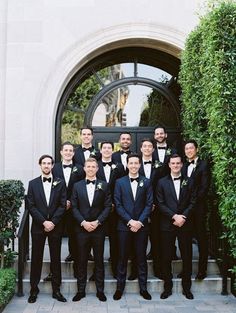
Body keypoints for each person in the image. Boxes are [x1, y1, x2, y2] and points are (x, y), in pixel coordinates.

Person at [27, 155, 67, 303]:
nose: (46, 166)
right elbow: (31, 206)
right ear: (40, 165)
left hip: (55, 227)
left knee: (56, 258)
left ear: (52, 166)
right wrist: (44, 222)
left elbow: (62, 204)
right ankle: (33, 289)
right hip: (38, 226)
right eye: (44, 163)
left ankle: (56, 290)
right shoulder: (33, 184)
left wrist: (53, 222)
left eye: (49, 163)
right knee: (36, 258)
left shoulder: (60, 183)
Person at [43, 142, 85, 282]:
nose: (68, 152)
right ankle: (53, 273)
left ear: (73, 153)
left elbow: (82, 189)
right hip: (57, 211)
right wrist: (62, 202)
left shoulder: (80, 169)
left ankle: (78, 271)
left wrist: (71, 202)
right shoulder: (53, 169)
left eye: (70, 150)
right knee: (55, 242)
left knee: (77, 240)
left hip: (75, 210)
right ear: (61, 152)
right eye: (65, 150)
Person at [71, 158, 112, 302]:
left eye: (93, 166)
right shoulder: (77, 186)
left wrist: (97, 222)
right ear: (84, 168)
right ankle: (80, 291)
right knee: (81, 260)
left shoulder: (104, 185)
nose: (90, 169)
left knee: (99, 260)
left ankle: (100, 291)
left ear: (97, 168)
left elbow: (108, 206)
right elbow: (74, 207)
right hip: (81, 229)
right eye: (88, 166)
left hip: (98, 229)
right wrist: (83, 222)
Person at [113, 154, 153, 301]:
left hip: (142, 227)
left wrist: (139, 222)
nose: (134, 165)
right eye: (131, 163)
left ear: (140, 165)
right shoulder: (119, 182)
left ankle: (143, 289)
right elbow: (118, 204)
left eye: (137, 163)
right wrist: (130, 221)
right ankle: (119, 289)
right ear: (127, 164)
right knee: (122, 258)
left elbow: (149, 204)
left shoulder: (147, 182)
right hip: (124, 227)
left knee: (141, 258)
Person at [156, 154, 196, 300]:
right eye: (173, 163)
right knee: (166, 257)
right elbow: (160, 203)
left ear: (181, 165)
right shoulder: (161, 182)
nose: (176, 165)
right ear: (169, 165)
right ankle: (167, 287)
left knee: (187, 256)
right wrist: (174, 216)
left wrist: (183, 216)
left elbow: (193, 201)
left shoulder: (189, 181)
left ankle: (187, 288)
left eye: (178, 163)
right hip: (167, 224)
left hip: (185, 224)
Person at [150, 126, 178, 277]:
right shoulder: (150, 152)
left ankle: (171, 252)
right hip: (154, 199)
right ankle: (154, 254)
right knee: (154, 231)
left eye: (162, 133)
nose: (160, 135)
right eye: (157, 133)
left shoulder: (173, 152)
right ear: (154, 136)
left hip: (169, 199)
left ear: (165, 135)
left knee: (168, 229)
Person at [182, 140, 210, 280]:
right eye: (186, 149)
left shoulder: (203, 165)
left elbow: (204, 187)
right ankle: (186, 269)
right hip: (186, 210)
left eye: (191, 148)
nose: (189, 151)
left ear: (196, 149)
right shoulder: (183, 165)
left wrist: (193, 203)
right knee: (185, 240)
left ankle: (202, 270)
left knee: (201, 239)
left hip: (198, 208)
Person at [97, 141, 125, 278]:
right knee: (97, 242)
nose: (107, 150)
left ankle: (115, 270)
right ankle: (96, 272)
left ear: (113, 150)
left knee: (115, 241)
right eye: (105, 148)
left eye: (109, 148)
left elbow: (122, 187)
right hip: (98, 210)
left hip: (115, 210)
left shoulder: (119, 167)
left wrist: (115, 203)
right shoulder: (94, 165)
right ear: (101, 150)